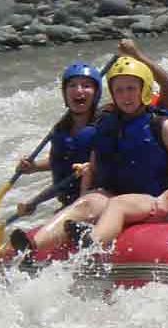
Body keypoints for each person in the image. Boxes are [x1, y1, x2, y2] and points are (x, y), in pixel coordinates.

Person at [12, 56, 168, 256]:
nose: (125, 96)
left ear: (144, 89)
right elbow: (94, 168)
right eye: (119, 90)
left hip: (150, 199)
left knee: (117, 205)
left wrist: (167, 197)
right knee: (88, 202)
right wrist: (85, 193)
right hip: (112, 193)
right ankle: (32, 249)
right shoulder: (106, 124)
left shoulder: (162, 125)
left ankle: (91, 245)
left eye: (131, 88)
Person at [13, 60, 103, 217]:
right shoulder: (60, 131)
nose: (78, 90)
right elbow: (61, 166)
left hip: (96, 203)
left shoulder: (105, 127)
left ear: (96, 94)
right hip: (68, 204)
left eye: (86, 85)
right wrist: (33, 168)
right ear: (65, 93)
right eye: (72, 85)